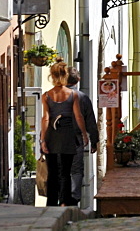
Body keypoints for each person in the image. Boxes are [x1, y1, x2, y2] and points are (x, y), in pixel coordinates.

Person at [40, 60, 89, 206]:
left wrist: (43, 140)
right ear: (65, 75)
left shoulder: (46, 96)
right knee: (66, 171)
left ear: (52, 76)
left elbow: (46, 118)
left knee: (52, 171)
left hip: (52, 134)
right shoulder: (72, 94)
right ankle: (66, 201)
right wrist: (84, 134)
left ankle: (51, 203)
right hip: (68, 133)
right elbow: (78, 116)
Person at [67, 67, 99, 206]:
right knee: (76, 169)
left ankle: (61, 197)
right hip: (76, 138)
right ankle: (74, 197)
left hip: (55, 139)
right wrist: (94, 140)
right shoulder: (83, 97)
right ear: (78, 80)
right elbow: (90, 121)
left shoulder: (52, 96)